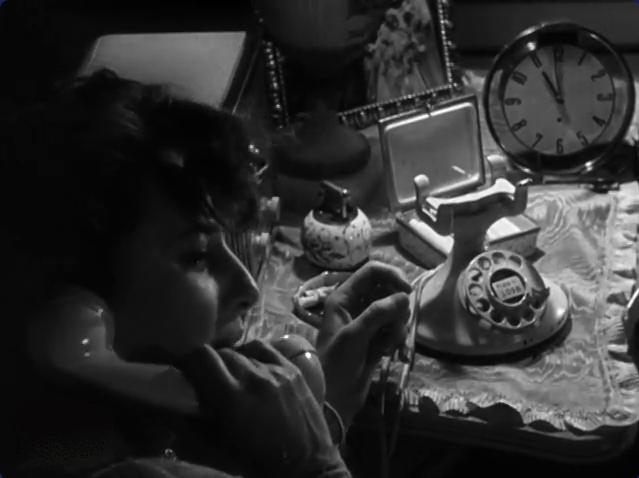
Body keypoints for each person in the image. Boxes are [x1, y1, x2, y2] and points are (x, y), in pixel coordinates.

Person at [0, 69, 412, 478]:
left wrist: (325, 415)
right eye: (197, 257)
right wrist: (316, 462)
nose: (248, 290)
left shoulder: (140, 435)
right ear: (74, 321)